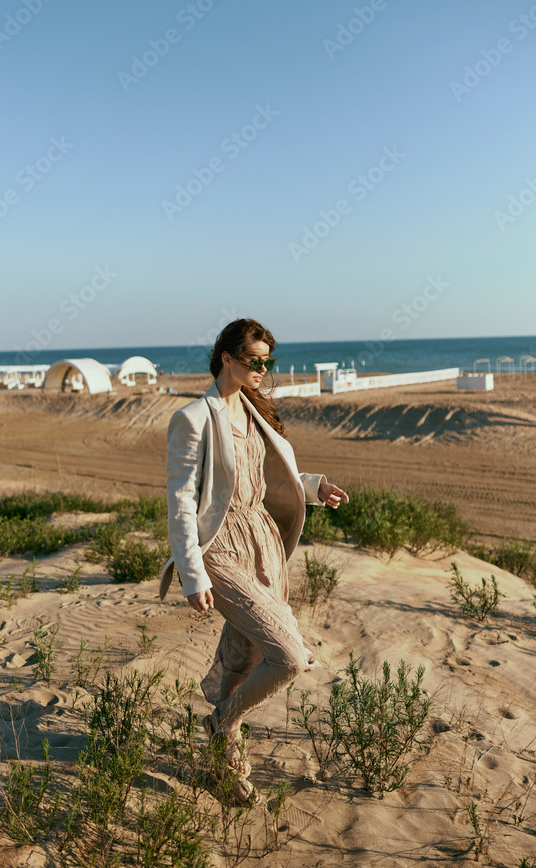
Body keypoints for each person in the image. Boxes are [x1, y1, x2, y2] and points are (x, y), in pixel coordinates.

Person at [160, 317, 349, 802]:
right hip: (219, 549)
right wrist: (191, 571)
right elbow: (181, 502)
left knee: (244, 655)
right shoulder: (193, 418)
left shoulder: (254, 409)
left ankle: (224, 769)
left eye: (268, 361)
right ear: (227, 357)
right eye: (253, 360)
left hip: (262, 543)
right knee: (286, 656)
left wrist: (313, 487)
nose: (262, 368)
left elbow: (262, 476)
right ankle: (221, 723)